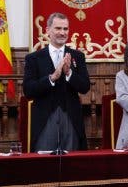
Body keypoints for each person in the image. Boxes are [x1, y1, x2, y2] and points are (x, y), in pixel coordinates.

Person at [23, 12, 90, 152]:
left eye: (65, 29)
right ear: (48, 30)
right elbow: (28, 90)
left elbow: (85, 87)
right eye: (58, 28)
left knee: (73, 166)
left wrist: (68, 73)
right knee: (44, 167)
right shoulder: (34, 58)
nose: (62, 32)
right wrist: (52, 78)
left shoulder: (77, 56)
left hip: (71, 119)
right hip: (45, 120)